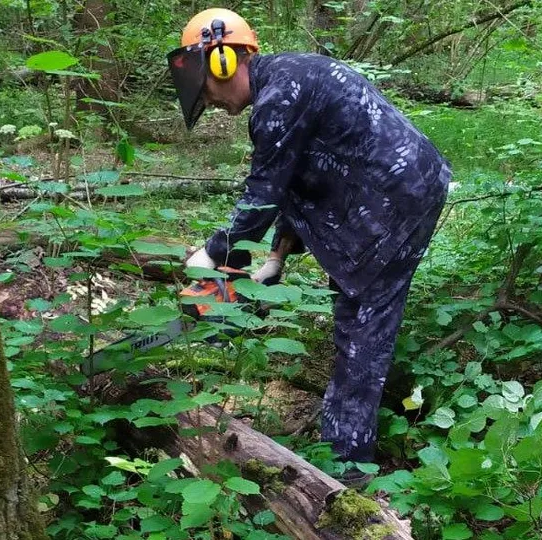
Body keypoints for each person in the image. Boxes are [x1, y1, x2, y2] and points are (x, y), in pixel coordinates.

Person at [170, 7, 451, 485]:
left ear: (223, 61)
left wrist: (216, 251)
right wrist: (274, 260)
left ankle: (346, 471)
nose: (210, 101)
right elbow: (296, 183)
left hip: (397, 199)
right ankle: (346, 452)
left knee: (362, 325)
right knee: (356, 309)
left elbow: (263, 193)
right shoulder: (286, 81)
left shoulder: (281, 96)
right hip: (388, 194)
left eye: (208, 89)